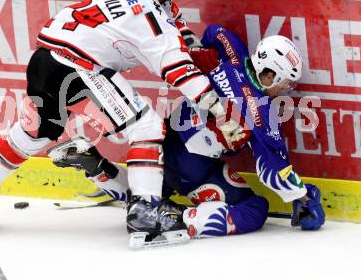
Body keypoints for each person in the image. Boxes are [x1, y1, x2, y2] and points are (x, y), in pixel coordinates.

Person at [0, 0, 235, 241]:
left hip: (44, 59)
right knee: (145, 126)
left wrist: (193, 45)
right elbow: (176, 68)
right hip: (79, 68)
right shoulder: (147, 19)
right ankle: (145, 211)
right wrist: (218, 109)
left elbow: (173, 23)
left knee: (38, 130)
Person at [48, 24, 325, 245]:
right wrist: (303, 196)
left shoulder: (232, 52)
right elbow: (274, 173)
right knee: (255, 208)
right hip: (195, 168)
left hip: (163, 143)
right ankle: (179, 218)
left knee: (145, 196)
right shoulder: (262, 112)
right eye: (286, 83)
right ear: (268, 75)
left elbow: (213, 32)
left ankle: (98, 169)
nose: (286, 91)